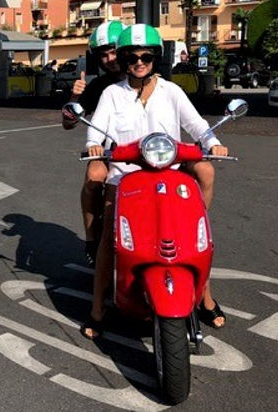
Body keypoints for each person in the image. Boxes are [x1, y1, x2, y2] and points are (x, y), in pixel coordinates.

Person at [80, 24, 229, 340]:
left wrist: (212, 141)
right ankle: (96, 309)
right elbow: (96, 131)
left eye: (146, 56)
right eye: (131, 56)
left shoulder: (171, 92)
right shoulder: (112, 93)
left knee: (196, 225)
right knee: (110, 240)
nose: (139, 62)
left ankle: (204, 298)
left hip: (169, 176)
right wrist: (95, 145)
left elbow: (198, 126)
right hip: (125, 177)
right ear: (123, 59)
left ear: (156, 58)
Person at [62, 21, 126, 267]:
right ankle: (91, 239)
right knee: (94, 175)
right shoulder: (100, 86)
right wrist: (75, 96)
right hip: (110, 152)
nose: (110, 59)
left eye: (113, 51)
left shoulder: (152, 79)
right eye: (104, 54)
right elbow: (68, 123)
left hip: (149, 151)